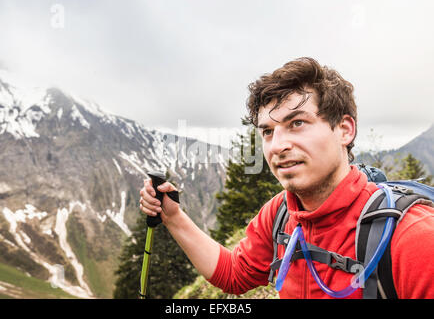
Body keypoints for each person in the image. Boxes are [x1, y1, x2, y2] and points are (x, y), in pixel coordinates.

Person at [139, 57, 434, 299]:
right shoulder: (280, 212)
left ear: (345, 130)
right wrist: (174, 217)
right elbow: (234, 274)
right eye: (268, 131)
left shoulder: (413, 239)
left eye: (297, 123)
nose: (277, 146)